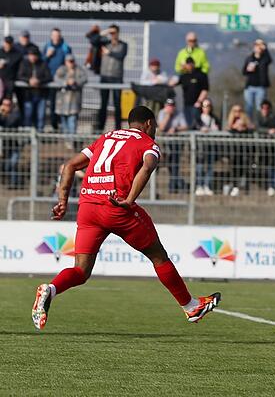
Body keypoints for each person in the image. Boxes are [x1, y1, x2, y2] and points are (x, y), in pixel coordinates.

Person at [31, 106, 221, 331]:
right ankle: (191, 307)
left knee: (81, 270)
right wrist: (130, 199)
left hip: (88, 207)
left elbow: (70, 165)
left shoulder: (105, 138)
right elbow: (148, 167)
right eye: (155, 126)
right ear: (149, 123)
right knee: (158, 256)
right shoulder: (147, 144)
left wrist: (62, 201)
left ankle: (50, 290)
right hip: (117, 207)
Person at [97, 24, 127, 132]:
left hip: (116, 78)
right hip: (105, 77)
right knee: (103, 103)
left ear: (118, 33)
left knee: (117, 103)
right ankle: (100, 128)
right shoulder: (105, 43)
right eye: (111, 33)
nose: (113, 35)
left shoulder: (123, 45)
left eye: (114, 32)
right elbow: (93, 39)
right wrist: (104, 32)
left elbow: (121, 55)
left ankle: (118, 128)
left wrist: (109, 53)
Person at [255, 100, 275, 197]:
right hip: (263, 148)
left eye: (267, 108)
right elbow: (257, 128)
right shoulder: (257, 117)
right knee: (268, 167)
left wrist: (274, 130)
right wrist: (267, 131)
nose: (265, 110)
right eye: (263, 108)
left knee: (274, 167)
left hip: (273, 148)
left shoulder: (273, 118)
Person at [157, 99, 189, 194]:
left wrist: (175, 129)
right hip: (163, 143)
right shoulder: (162, 113)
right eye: (168, 105)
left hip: (175, 143)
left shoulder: (179, 113)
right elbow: (162, 127)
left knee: (174, 164)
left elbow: (185, 126)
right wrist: (168, 115)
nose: (170, 107)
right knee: (163, 165)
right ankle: (173, 186)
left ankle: (173, 187)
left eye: (172, 105)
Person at [42, 28, 72, 130]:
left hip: (61, 82)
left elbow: (69, 64)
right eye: (54, 35)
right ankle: (53, 125)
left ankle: (62, 127)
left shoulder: (65, 47)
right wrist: (47, 56)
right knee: (51, 104)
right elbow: (41, 63)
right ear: (51, 36)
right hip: (49, 81)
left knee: (62, 105)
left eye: (58, 35)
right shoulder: (47, 47)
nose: (56, 37)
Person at [17, 46, 52, 131]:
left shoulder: (42, 63)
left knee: (40, 116)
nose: (32, 57)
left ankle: (39, 135)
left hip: (41, 95)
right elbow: (19, 76)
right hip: (28, 95)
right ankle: (27, 137)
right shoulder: (24, 63)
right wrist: (29, 80)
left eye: (34, 55)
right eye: (31, 55)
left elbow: (49, 77)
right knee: (28, 116)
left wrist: (39, 81)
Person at [225, 104, 255, 197]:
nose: (237, 113)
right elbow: (227, 131)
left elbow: (252, 130)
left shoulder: (246, 123)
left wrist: (244, 128)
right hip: (234, 151)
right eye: (235, 111)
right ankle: (234, 187)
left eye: (239, 110)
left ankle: (244, 188)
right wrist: (234, 128)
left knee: (244, 168)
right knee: (234, 168)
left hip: (245, 151)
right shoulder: (230, 123)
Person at [193, 97, 220, 196]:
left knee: (210, 167)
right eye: (204, 106)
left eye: (208, 106)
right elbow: (194, 127)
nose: (206, 108)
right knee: (199, 167)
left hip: (211, 146)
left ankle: (207, 186)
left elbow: (218, 128)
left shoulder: (214, 118)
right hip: (200, 147)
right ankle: (199, 186)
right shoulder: (198, 118)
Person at [54, 54, 88, 134]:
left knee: (72, 121)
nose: (71, 63)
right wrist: (65, 82)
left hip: (74, 101)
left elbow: (84, 79)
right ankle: (67, 140)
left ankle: (71, 141)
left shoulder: (79, 69)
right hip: (62, 102)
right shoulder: (61, 69)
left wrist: (75, 82)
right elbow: (56, 78)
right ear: (65, 62)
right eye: (69, 61)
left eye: (72, 61)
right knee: (64, 122)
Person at [242, 39, 272, 121]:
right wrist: (248, 69)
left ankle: (260, 125)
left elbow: (269, 60)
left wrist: (265, 48)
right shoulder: (249, 58)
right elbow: (244, 72)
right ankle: (249, 126)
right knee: (249, 107)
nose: (258, 48)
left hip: (260, 87)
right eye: (256, 45)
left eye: (260, 46)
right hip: (249, 87)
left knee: (260, 108)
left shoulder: (264, 59)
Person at [177, 57, 209, 126]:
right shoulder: (183, 76)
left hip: (197, 105)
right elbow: (173, 83)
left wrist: (199, 101)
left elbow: (205, 89)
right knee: (189, 125)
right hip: (186, 105)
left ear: (193, 64)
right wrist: (180, 70)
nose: (189, 66)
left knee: (198, 123)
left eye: (190, 64)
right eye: (187, 64)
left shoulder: (201, 75)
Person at [0, 98, 23, 189]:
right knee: (7, 166)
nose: (6, 107)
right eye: (4, 104)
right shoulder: (2, 114)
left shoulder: (16, 114)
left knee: (13, 163)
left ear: (11, 106)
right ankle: (12, 182)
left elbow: (9, 123)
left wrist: (2, 114)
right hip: (5, 146)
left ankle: (14, 183)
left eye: (8, 105)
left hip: (15, 145)